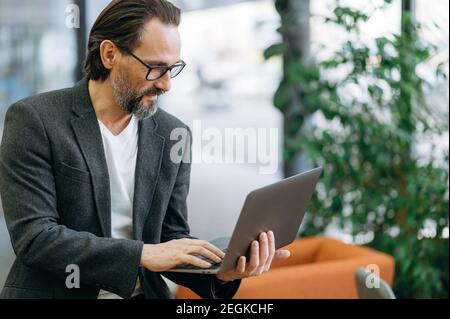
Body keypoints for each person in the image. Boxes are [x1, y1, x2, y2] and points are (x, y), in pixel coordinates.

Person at [0, 0, 290, 299]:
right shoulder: (35, 120)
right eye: (155, 68)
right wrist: (141, 253)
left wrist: (222, 271)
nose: (166, 85)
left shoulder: (173, 134)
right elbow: (35, 238)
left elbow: (170, 238)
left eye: (172, 68)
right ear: (110, 54)